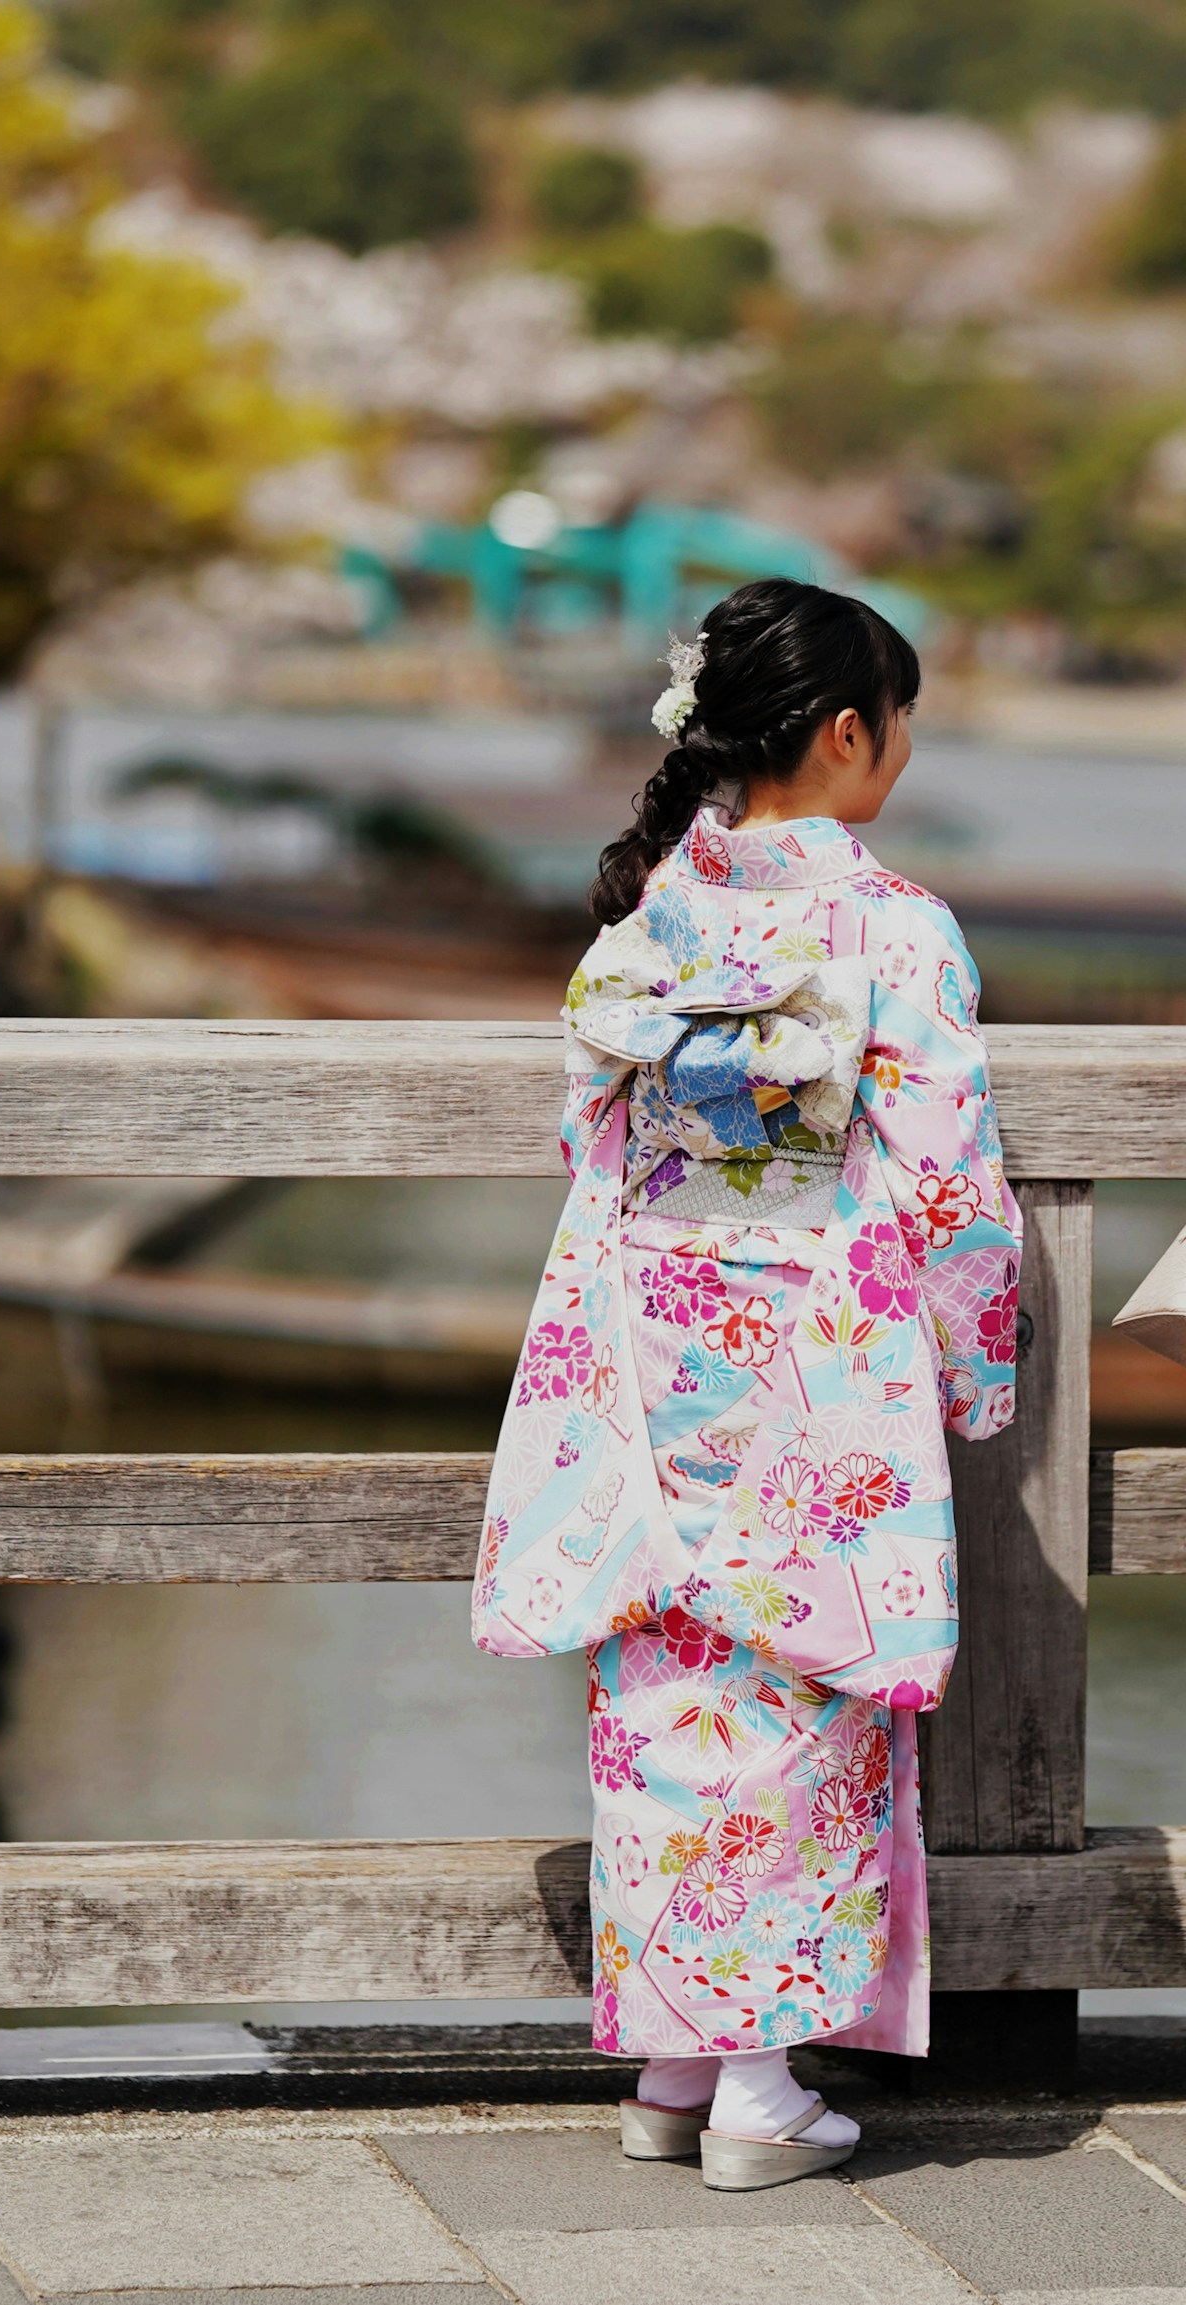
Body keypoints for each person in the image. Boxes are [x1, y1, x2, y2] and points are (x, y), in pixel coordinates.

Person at [472, 577, 1021, 2191]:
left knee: (664, 1709)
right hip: (817, 1377)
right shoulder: (894, 931)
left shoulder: (650, 924)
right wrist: (977, 1373)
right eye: (900, 724)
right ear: (849, 735)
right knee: (806, 1710)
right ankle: (762, 2087)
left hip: (645, 1358)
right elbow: (950, 1187)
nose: (902, 751)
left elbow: (593, 1139)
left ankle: (673, 2060)